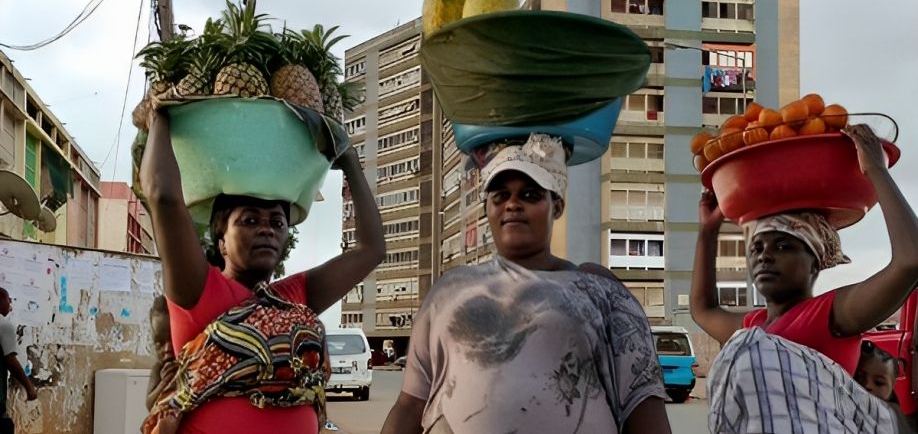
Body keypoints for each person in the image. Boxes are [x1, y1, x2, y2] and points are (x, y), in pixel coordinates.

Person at [381, 134, 671, 434]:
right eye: (500, 196)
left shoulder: (601, 291)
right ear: (487, 208)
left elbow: (644, 408)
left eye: (530, 195)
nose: (513, 205)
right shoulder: (449, 290)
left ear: (556, 206)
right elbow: (410, 404)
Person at [139, 110, 384, 434]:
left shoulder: (292, 299)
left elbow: (372, 250)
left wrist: (350, 160)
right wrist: (161, 115)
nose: (267, 230)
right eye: (250, 221)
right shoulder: (199, 290)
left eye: (277, 223)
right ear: (221, 240)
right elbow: (164, 195)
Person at [692, 124, 918, 432]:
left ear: (816, 261)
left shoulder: (831, 315)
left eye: (783, 246)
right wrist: (708, 231)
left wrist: (876, 170)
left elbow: (910, 260)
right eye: (757, 247)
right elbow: (703, 310)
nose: (765, 255)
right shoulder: (754, 326)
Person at [855, 341, 915, 433]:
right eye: (860, 377)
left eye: (878, 382)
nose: (867, 385)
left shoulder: (892, 416)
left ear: (893, 385)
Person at [0, 287, 38, 434]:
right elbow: (10, 359)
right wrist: (29, 386)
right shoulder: (4, 325)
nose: (10, 304)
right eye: (8, 299)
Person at [146, 295, 178, 412]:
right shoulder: (158, 369)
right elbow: (149, 404)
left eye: (173, 339)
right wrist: (164, 382)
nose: (166, 349)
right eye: (159, 343)